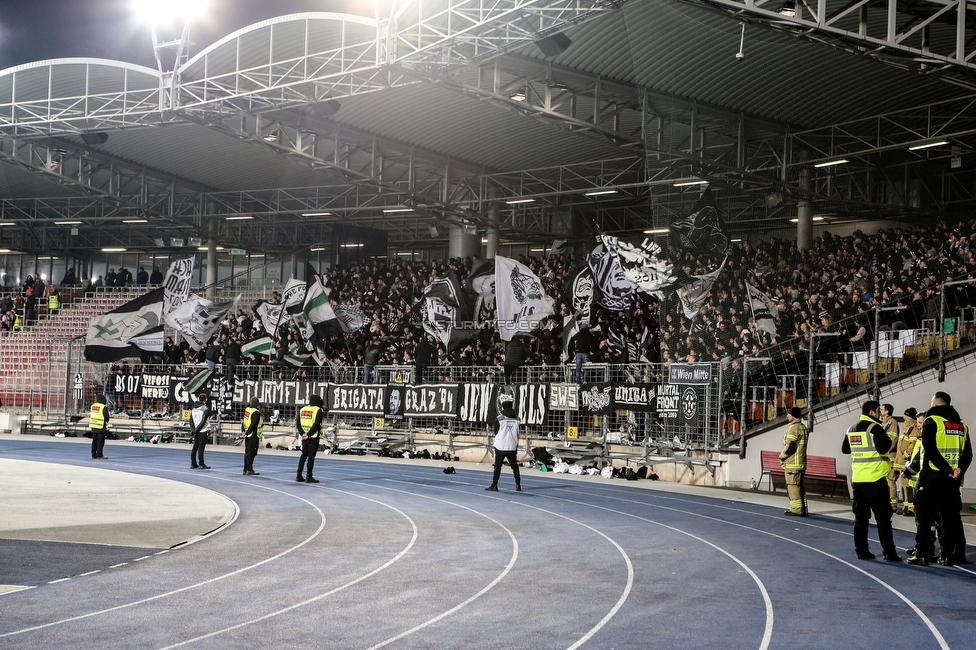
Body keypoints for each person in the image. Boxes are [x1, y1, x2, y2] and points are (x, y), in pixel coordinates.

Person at [908, 392, 972, 566]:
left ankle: (921, 553)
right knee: (949, 519)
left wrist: (947, 470)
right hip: (952, 482)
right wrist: (958, 471)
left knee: (924, 517)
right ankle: (948, 555)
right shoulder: (962, 427)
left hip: (932, 477)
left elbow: (929, 449)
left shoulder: (932, 421)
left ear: (935, 405)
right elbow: (968, 455)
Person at [841, 400, 900, 561]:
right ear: (872, 412)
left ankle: (861, 551)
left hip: (858, 479)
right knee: (883, 518)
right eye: (878, 412)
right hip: (875, 479)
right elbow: (884, 447)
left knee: (860, 518)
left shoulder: (851, 428)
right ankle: (889, 552)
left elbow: (845, 449)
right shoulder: (875, 428)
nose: (881, 414)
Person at [486, 394, 522, 492]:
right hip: (512, 446)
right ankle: (518, 484)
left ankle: (494, 485)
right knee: (514, 466)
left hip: (501, 446)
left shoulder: (500, 418)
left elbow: (496, 431)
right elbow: (518, 431)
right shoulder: (517, 419)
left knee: (498, 467)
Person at [781, 406, 808, 516]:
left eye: (789, 414)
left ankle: (796, 510)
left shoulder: (793, 428)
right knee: (800, 486)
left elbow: (790, 446)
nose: (787, 415)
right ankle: (803, 509)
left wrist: (782, 456)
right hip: (801, 462)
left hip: (793, 463)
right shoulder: (802, 427)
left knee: (793, 486)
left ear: (794, 415)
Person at [895, 407, 921, 516]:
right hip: (902, 461)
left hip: (907, 461)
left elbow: (912, 445)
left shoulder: (914, 428)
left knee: (909, 486)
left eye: (905, 415)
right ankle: (906, 506)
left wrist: (905, 455)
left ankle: (911, 508)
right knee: (904, 485)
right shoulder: (907, 427)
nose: (903, 417)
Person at [296, 394, 325, 483]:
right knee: (311, 457)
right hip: (313, 437)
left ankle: (298, 475)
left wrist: (303, 434)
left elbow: (298, 423)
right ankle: (309, 476)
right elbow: (316, 424)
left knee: (303, 455)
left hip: (304, 436)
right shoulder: (318, 410)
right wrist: (309, 434)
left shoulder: (302, 410)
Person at [880, 403, 900, 511]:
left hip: (890, 456)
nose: (880, 411)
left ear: (887, 412)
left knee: (890, 480)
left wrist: (884, 450)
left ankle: (893, 505)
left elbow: (893, 439)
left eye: (882, 409)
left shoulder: (892, 423)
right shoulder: (883, 423)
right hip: (885, 457)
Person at [190, 394, 213, 470]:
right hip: (203, 430)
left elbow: (191, 421)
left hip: (196, 430)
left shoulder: (194, 408)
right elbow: (203, 422)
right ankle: (201, 464)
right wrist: (196, 430)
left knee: (195, 448)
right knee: (201, 449)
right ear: (205, 400)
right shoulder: (205, 409)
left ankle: (193, 463)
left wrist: (193, 430)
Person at [241, 396, 263, 476]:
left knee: (247, 452)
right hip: (253, 434)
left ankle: (245, 468)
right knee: (251, 453)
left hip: (247, 434)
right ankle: (249, 469)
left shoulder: (247, 410)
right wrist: (247, 432)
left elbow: (243, 422)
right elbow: (253, 424)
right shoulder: (256, 412)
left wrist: (243, 431)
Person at [89, 393, 110, 460]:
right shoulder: (104, 407)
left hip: (93, 426)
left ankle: (93, 454)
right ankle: (99, 454)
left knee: (94, 441)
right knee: (100, 442)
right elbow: (106, 417)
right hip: (101, 426)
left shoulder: (93, 406)